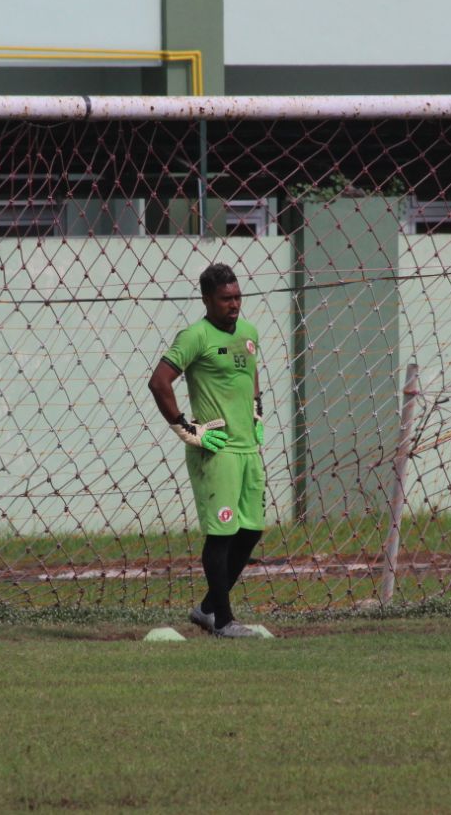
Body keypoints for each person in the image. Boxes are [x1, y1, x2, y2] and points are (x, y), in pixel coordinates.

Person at [148, 263, 266, 639]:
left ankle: (208, 608)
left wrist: (256, 409)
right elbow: (159, 382)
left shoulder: (249, 333)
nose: (234, 305)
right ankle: (224, 621)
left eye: (237, 297)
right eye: (225, 299)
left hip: (249, 449)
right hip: (217, 452)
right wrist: (186, 428)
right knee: (222, 534)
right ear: (207, 300)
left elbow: (250, 374)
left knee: (251, 531)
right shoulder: (195, 336)